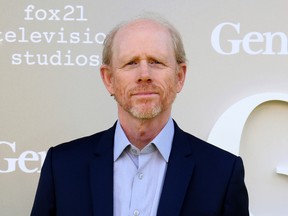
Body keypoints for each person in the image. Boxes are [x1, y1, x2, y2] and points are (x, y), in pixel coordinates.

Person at [31, 15, 249, 216]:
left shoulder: (222, 174)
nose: (144, 75)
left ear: (179, 76)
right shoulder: (62, 168)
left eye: (156, 61)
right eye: (131, 63)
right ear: (109, 79)